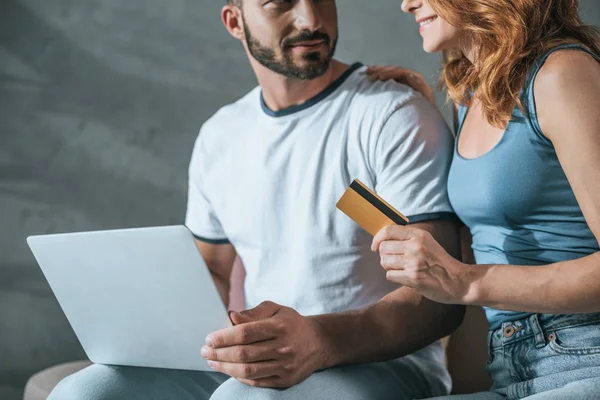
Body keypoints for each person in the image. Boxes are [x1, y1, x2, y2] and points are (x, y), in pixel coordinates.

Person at [47, 1, 465, 399]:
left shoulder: (392, 115)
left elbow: (437, 300)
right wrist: (143, 329)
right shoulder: (221, 135)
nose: (310, 19)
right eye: (279, 2)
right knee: (82, 392)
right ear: (234, 21)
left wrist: (319, 340)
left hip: (380, 363)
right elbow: (211, 270)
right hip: (255, 362)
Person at [367, 0, 600, 398]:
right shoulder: (470, 94)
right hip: (512, 368)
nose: (407, 4)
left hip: (585, 356)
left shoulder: (562, 74)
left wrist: (463, 281)